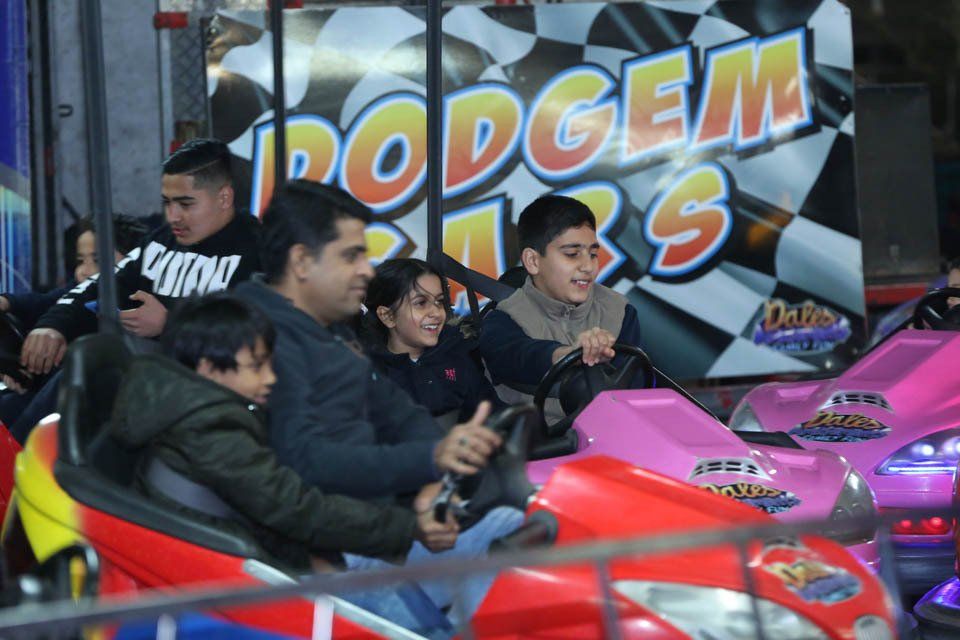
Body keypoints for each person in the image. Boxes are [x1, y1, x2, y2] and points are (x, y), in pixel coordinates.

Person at [234, 179, 522, 622]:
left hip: (381, 529)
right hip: (340, 557)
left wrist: (434, 472)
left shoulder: (324, 329)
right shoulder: (259, 338)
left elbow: (394, 408)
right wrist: (429, 459)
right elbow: (304, 460)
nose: (367, 271)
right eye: (352, 255)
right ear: (302, 261)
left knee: (523, 527)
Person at [110, 294, 456, 637]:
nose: (271, 378)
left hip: (253, 556)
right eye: (257, 366)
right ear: (208, 367)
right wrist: (408, 527)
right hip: (239, 581)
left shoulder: (193, 407)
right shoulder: (211, 429)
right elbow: (294, 507)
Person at [7, 138, 262, 443]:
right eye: (166, 203)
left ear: (223, 198)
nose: (173, 216)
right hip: (138, 391)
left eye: (185, 204)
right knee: (18, 396)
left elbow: (250, 335)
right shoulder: (160, 243)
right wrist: (53, 326)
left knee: (97, 360)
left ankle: (14, 462)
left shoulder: (256, 252)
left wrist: (169, 324)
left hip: (196, 396)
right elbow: (97, 286)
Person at [479, 195, 644, 418]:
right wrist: (567, 355)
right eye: (572, 254)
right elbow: (519, 356)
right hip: (532, 446)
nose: (588, 266)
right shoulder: (503, 318)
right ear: (533, 261)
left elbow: (636, 393)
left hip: (610, 440)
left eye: (593, 254)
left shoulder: (620, 312)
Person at [360, 258, 503, 428]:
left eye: (440, 301)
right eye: (421, 303)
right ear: (388, 316)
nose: (436, 312)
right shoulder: (365, 374)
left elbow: (495, 414)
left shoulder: (456, 355)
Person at [0, 214, 147, 331]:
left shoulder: (142, 297)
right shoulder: (77, 290)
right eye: (80, 261)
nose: (84, 271)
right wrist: (8, 301)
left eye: (98, 261)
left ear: (132, 258)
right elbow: (46, 302)